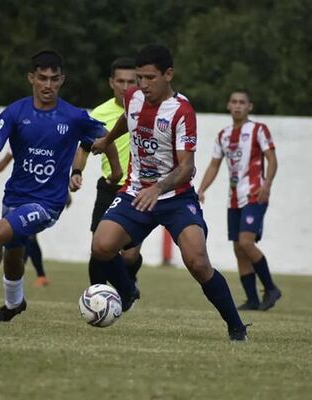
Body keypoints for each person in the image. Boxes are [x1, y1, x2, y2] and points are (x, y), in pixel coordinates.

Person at [91, 44, 249, 341]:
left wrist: (159, 187)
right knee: (101, 246)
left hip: (175, 198)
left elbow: (186, 168)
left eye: (150, 78)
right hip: (136, 192)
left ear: (168, 74)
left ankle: (236, 326)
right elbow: (128, 117)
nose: (143, 85)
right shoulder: (132, 98)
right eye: (139, 78)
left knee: (198, 262)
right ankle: (127, 291)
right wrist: (106, 140)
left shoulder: (181, 111)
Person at [0, 50, 120, 322]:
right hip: (15, 195)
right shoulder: (16, 112)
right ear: (31, 78)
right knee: (13, 252)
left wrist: (116, 171)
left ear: (62, 80)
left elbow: (106, 138)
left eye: (54, 79)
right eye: (42, 78)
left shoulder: (74, 116)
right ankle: (14, 302)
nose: (48, 85)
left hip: (47, 204)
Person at [197, 90, 282, 311]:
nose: (237, 106)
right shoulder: (223, 135)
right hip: (233, 199)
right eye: (234, 102)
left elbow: (272, 160)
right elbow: (214, 164)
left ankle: (271, 288)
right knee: (238, 248)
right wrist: (202, 188)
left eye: (242, 102)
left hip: (255, 194)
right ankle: (252, 299)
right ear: (228, 106)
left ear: (249, 107)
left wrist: (267, 185)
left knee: (246, 242)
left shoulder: (258, 130)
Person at [69, 57, 143, 285]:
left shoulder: (148, 111)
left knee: (129, 255)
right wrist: (76, 172)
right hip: (109, 187)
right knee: (98, 246)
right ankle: (96, 294)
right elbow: (83, 148)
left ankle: (128, 281)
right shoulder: (99, 113)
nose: (125, 87)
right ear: (111, 82)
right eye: (120, 81)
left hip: (138, 189)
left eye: (131, 81)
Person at [0, 152, 49, 288]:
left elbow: (57, 170)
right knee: (23, 236)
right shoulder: (23, 138)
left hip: (40, 195)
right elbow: (7, 159)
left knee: (29, 236)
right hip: (20, 196)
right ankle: (24, 275)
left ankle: (34, 276)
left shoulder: (48, 144)